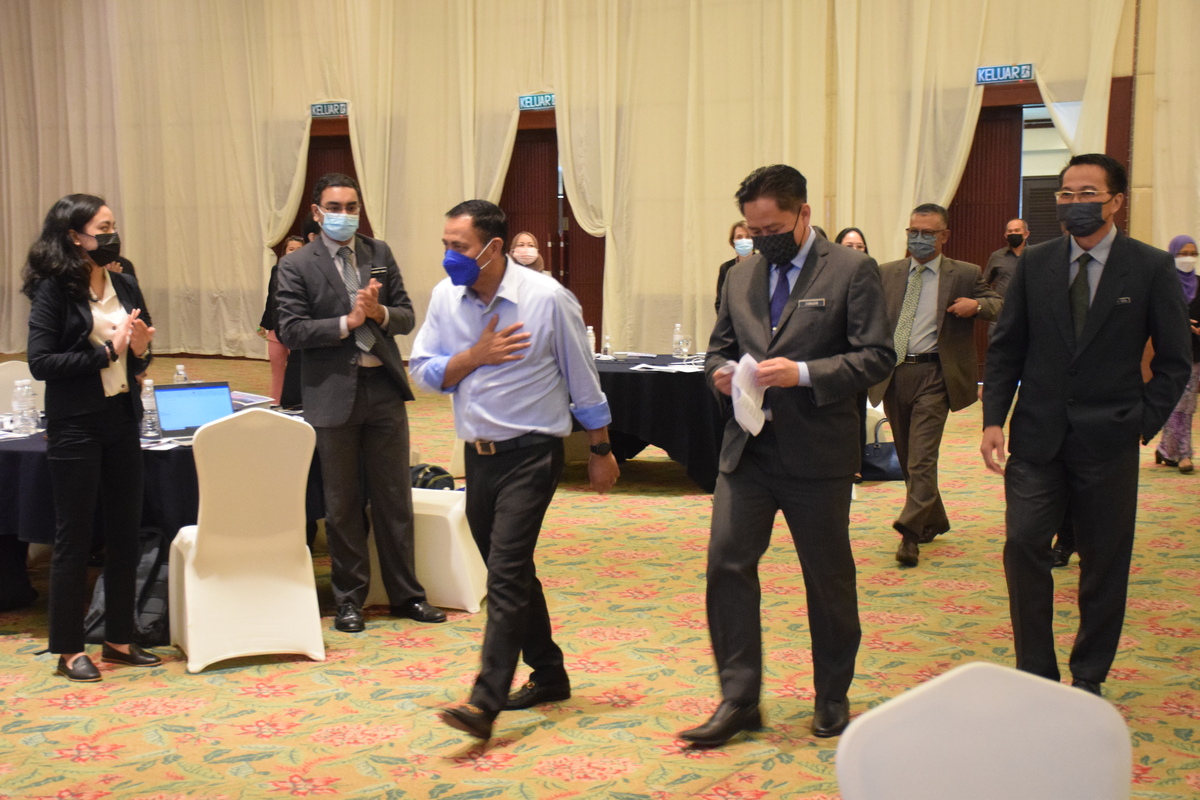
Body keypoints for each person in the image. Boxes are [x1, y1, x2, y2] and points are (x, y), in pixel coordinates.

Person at [680, 165, 894, 747]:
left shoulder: (851, 270)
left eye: (771, 229)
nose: (761, 239)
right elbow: (718, 351)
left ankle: (832, 694)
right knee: (726, 564)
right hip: (748, 449)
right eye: (753, 230)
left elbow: (877, 356)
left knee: (826, 578)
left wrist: (801, 373)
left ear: (803, 214)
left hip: (817, 454)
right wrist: (720, 374)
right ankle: (739, 698)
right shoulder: (740, 274)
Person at [409, 199, 619, 740]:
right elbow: (423, 371)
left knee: (504, 573)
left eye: (459, 246)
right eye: (446, 245)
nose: (450, 256)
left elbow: (582, 378)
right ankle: (549, 673)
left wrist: (600, 449)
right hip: (476, 459)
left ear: (493, 247)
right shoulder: (445, 297)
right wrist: (473, 357)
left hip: (532, 454)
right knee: (513, 570)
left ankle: (485, 703)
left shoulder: (546, 298)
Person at [982, 153, 1191, 695]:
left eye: (1087, 194)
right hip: (1037, 436)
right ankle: (1036, 671)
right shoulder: (1036, 263)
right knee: (1023, 545)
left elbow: (1175, 360)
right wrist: (992, 419)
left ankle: (1089, 675)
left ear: (1116, 201)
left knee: (1104, 562)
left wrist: (1142, 422)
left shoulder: (1149, 267)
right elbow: (1007, 347)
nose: (1074, 203)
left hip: (1110, 437)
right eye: (1066, 194)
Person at [276, 173, 444, 633]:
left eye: (352, 207)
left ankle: (407, 596)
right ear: (317, 212)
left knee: (394, 499)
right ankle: (349, 600)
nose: (345, 215)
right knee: (343, 504)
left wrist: (379, 313)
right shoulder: (296, 265)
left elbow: (406, 314)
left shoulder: (378, 253)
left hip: (383, 389)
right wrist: (347, 322)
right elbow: (290, 330)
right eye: (335, 207)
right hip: (331, 395)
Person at [23, 193, 161, 681]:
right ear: (73, 236)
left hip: (122, 419)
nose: (111, 235)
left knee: (125, 533)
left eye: (112, 226)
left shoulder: (124, 281)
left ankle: (119, 639)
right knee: (75, 537)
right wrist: (106, 353)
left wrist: (140, 350)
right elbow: (41, 363)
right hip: (75, 425)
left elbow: (138, 354)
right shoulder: (54, 290)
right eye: (102, 228)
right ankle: (68, 650)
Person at [868, 204, 1001, 567]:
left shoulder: (964, 273)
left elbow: (998, 303)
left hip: (936, 375)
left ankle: (910, 533)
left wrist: (976, 306)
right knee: (909, 456)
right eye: (913, 232)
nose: (919, 239)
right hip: (895, 374)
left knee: (922, 456)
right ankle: (935, 519)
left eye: (928, 233)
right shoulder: (887, 272)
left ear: (944, 236)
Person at [1154, 234, 1200, 474]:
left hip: (1194, 353)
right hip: (1169, 352)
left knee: (1187, 405)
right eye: (1183, 254)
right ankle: (1173, 451)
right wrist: (1180, 323)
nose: (1188, 258)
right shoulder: (1165, 283)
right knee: (1173, 403)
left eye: (1193, 254)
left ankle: (1177, 451)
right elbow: (1156, 316)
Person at [835, 226, 871, 478]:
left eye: (860, 247)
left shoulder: (872, 276)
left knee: (857, 410)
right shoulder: (826, 277)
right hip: (831, 355)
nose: (856, 251)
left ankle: (856, 465)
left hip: (859, 355)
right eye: (849, 246)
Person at [259, 235, 305, 404]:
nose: (294, 253)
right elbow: (271, 297)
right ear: (284, 252)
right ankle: (276, 404)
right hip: (276, 328)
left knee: (297, 372)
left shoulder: (310, 272)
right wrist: (264, 323)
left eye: (299, 250)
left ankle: (295, 405)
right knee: (277, 371)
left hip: (297, 329)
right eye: (291, 249)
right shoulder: (277, 270)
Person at [985, 218, 1029, 300]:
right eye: (1010, 231)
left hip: (1028, 304)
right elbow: (985, 283)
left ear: (1026, 234)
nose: (1013, 233)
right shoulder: (997, 256)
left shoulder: (1035, 255)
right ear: (1005, 235)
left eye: (1017, 231)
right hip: (1002, 304)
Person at [714, 220, 753, 313]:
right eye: (739, 237)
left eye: (748, 236)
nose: (744, 241)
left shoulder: (764, 265)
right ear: (733, 242)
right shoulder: (726, 268)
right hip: (733, 320)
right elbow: (720, 303)